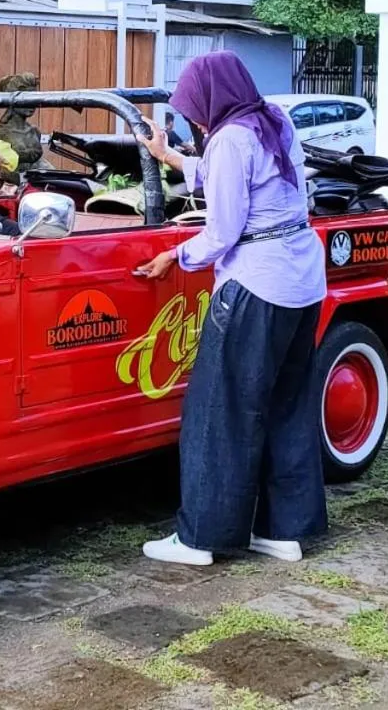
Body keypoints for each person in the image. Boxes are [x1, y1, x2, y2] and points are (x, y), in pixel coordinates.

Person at [134, 51, 327, 567]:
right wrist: (173, 157)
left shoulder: (228, 139)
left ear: (212, 100)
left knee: (220, 411)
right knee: (287, 406)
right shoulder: (273, 120)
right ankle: (283, 531)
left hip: (255, 284)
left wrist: (175, 255)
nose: (195, 118)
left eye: (196, 107)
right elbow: (249, 181)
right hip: (303, 282)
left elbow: (221, 232)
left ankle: (201, 537)